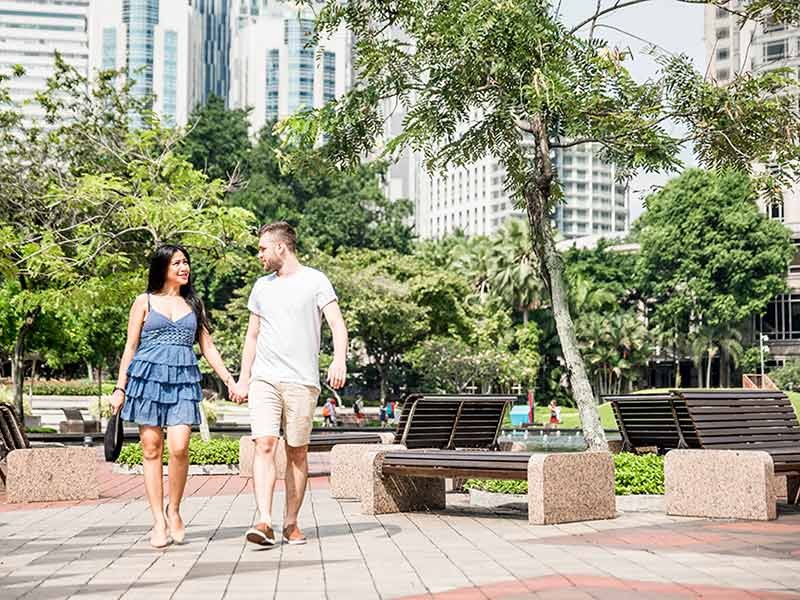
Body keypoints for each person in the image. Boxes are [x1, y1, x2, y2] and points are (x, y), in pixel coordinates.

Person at [109, 244, 240, 549]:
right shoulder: (144, 301)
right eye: (177, 263)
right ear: (162, 268)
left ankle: (175, 510)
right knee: (151, 449)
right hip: (147, 380)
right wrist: (120, 388)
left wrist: (229, 380)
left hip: (182, 380)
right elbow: (130, 348)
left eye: (186, 262)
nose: (184, 268)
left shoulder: (194, 304)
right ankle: (158, 520)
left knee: (179, 447)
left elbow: (208, 348)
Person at [233, 222, 347, 547]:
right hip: (264, 379)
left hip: (302, 380)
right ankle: (264, 521)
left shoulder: (316, 281)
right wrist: (244, 378)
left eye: (263, 249)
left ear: (281, 247)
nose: (260, 255)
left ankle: (291, 523)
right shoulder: (261, 287)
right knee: (265, 444)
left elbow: (337, 324)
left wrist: (338, 360)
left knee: (297, 452)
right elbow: (251, 337)